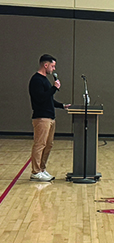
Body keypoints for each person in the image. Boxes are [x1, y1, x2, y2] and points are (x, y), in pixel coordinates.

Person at [28, 54, 69, 182]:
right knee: (40, 144)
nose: (54, 69)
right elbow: (41, 98)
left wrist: (62, 106)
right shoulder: (36, 80)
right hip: (41, 117)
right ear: (45, 65)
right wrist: (54, 88)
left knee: (48, 144)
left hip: (50, 117)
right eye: (52, 66)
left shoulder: (45, 79)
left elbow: (49, 99)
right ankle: (35, 172)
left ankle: (42, 169)